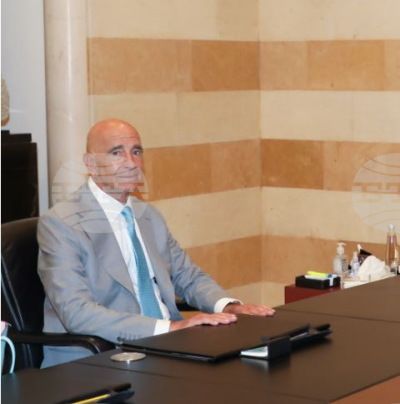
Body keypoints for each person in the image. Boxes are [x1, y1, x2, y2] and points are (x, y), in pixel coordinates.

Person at [38, 119, 275, 367]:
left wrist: (228, 306)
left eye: (136, 152)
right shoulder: (61, 223)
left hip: (166, 348)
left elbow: (187, 276)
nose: (131, 162)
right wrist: (170, 328)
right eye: (116, 153)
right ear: (91, 164)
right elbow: (76, 312)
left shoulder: (148, 216)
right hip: (99, 359)